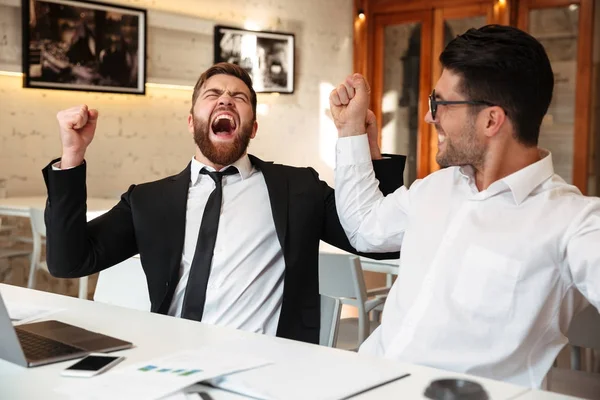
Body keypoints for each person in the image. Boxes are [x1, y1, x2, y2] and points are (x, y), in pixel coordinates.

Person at [42, 62, 405, 345]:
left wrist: (366, 148)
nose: (226, 100)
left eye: (240, 97)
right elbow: (69, 261)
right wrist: (72, 155)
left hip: (265, 368)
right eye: (212, 94)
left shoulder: (298, 188)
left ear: (253, 127)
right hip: (169, 357)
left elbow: (377, 241)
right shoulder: (149, 200)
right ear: (191, 121)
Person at [329, 25, 600, 388]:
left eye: (439, 104)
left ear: (491, 120)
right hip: (365, 383)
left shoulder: (573, 222)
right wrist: (351, 132)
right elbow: (364, 228)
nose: (429, 117)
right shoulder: (434, 188)